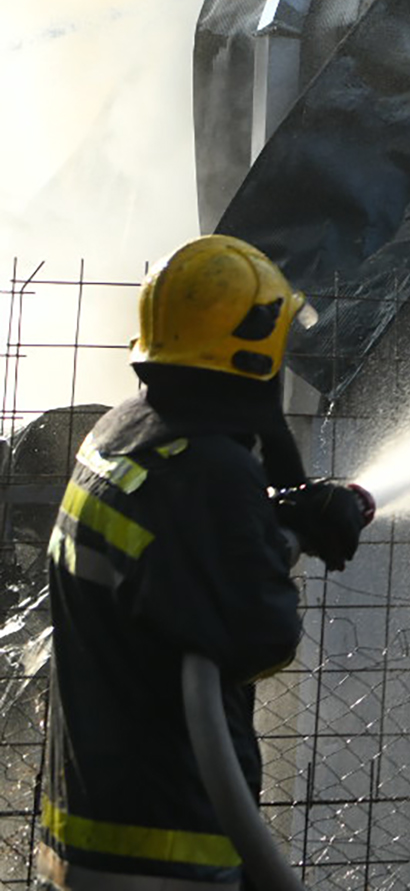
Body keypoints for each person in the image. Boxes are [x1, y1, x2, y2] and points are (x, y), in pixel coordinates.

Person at [37, 235, 370, 891]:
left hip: (89, 832)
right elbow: (260, 634)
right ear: (251, 343)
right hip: (163, 852)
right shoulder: (205, 472)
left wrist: (279, 511)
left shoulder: (126, 432)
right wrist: (288, 532)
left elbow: (178, 559)